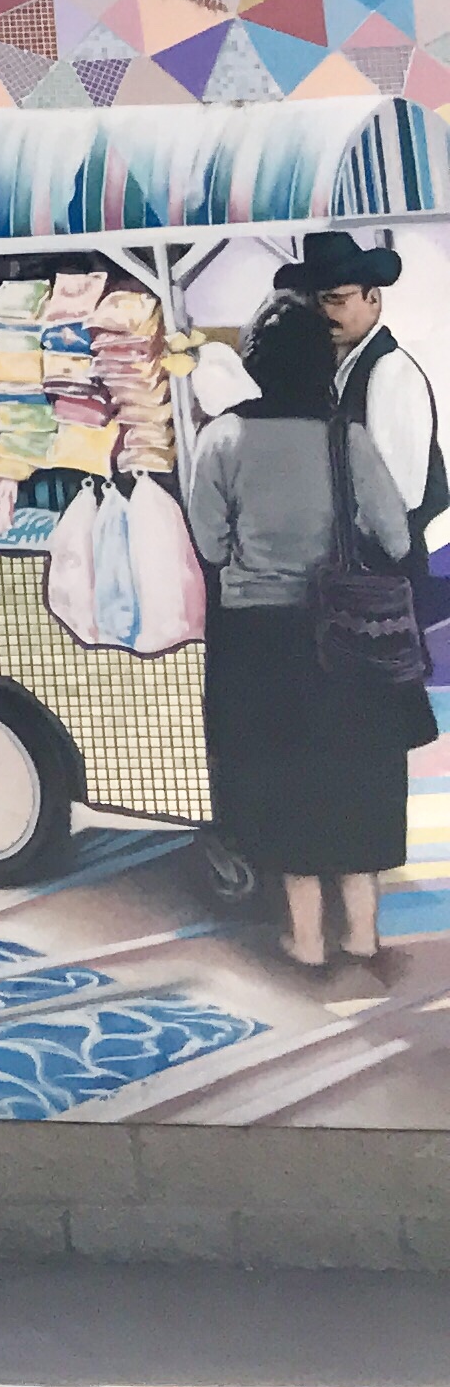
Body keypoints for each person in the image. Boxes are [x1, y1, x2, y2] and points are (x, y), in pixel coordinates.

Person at [184, 293, 423, 970]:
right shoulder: (344, 437)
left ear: (256, 364)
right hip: (344, 635)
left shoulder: (222, 438)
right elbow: (396, 534)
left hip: (260, 640)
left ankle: (307, 941)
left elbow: (208, 538)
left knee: (284, 779)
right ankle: (364, 936)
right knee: (357, 778)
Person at [271, 229, 447, 620]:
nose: (326, 314)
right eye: (318, 302)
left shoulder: (390, 372)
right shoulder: (334, 370)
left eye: (337, 299)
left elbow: (400, 494)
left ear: (373, 298)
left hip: (385, 569)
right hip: (354, 567)